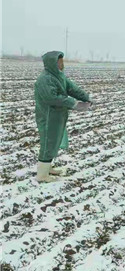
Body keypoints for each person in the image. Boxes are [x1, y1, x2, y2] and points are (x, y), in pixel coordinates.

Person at [34, 51, 92, 182]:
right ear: (52, 63)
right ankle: (42, 175)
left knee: (54, 142)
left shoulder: (59, 76)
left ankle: (47, 167)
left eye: (62, 61)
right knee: (48, 142)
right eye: (59, 62)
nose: (62, 64)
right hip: (48, 116)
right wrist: (74, 104)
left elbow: (72, 89)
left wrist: (86, 98)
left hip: (58, 116)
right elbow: (52, 98)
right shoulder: (45, 79)